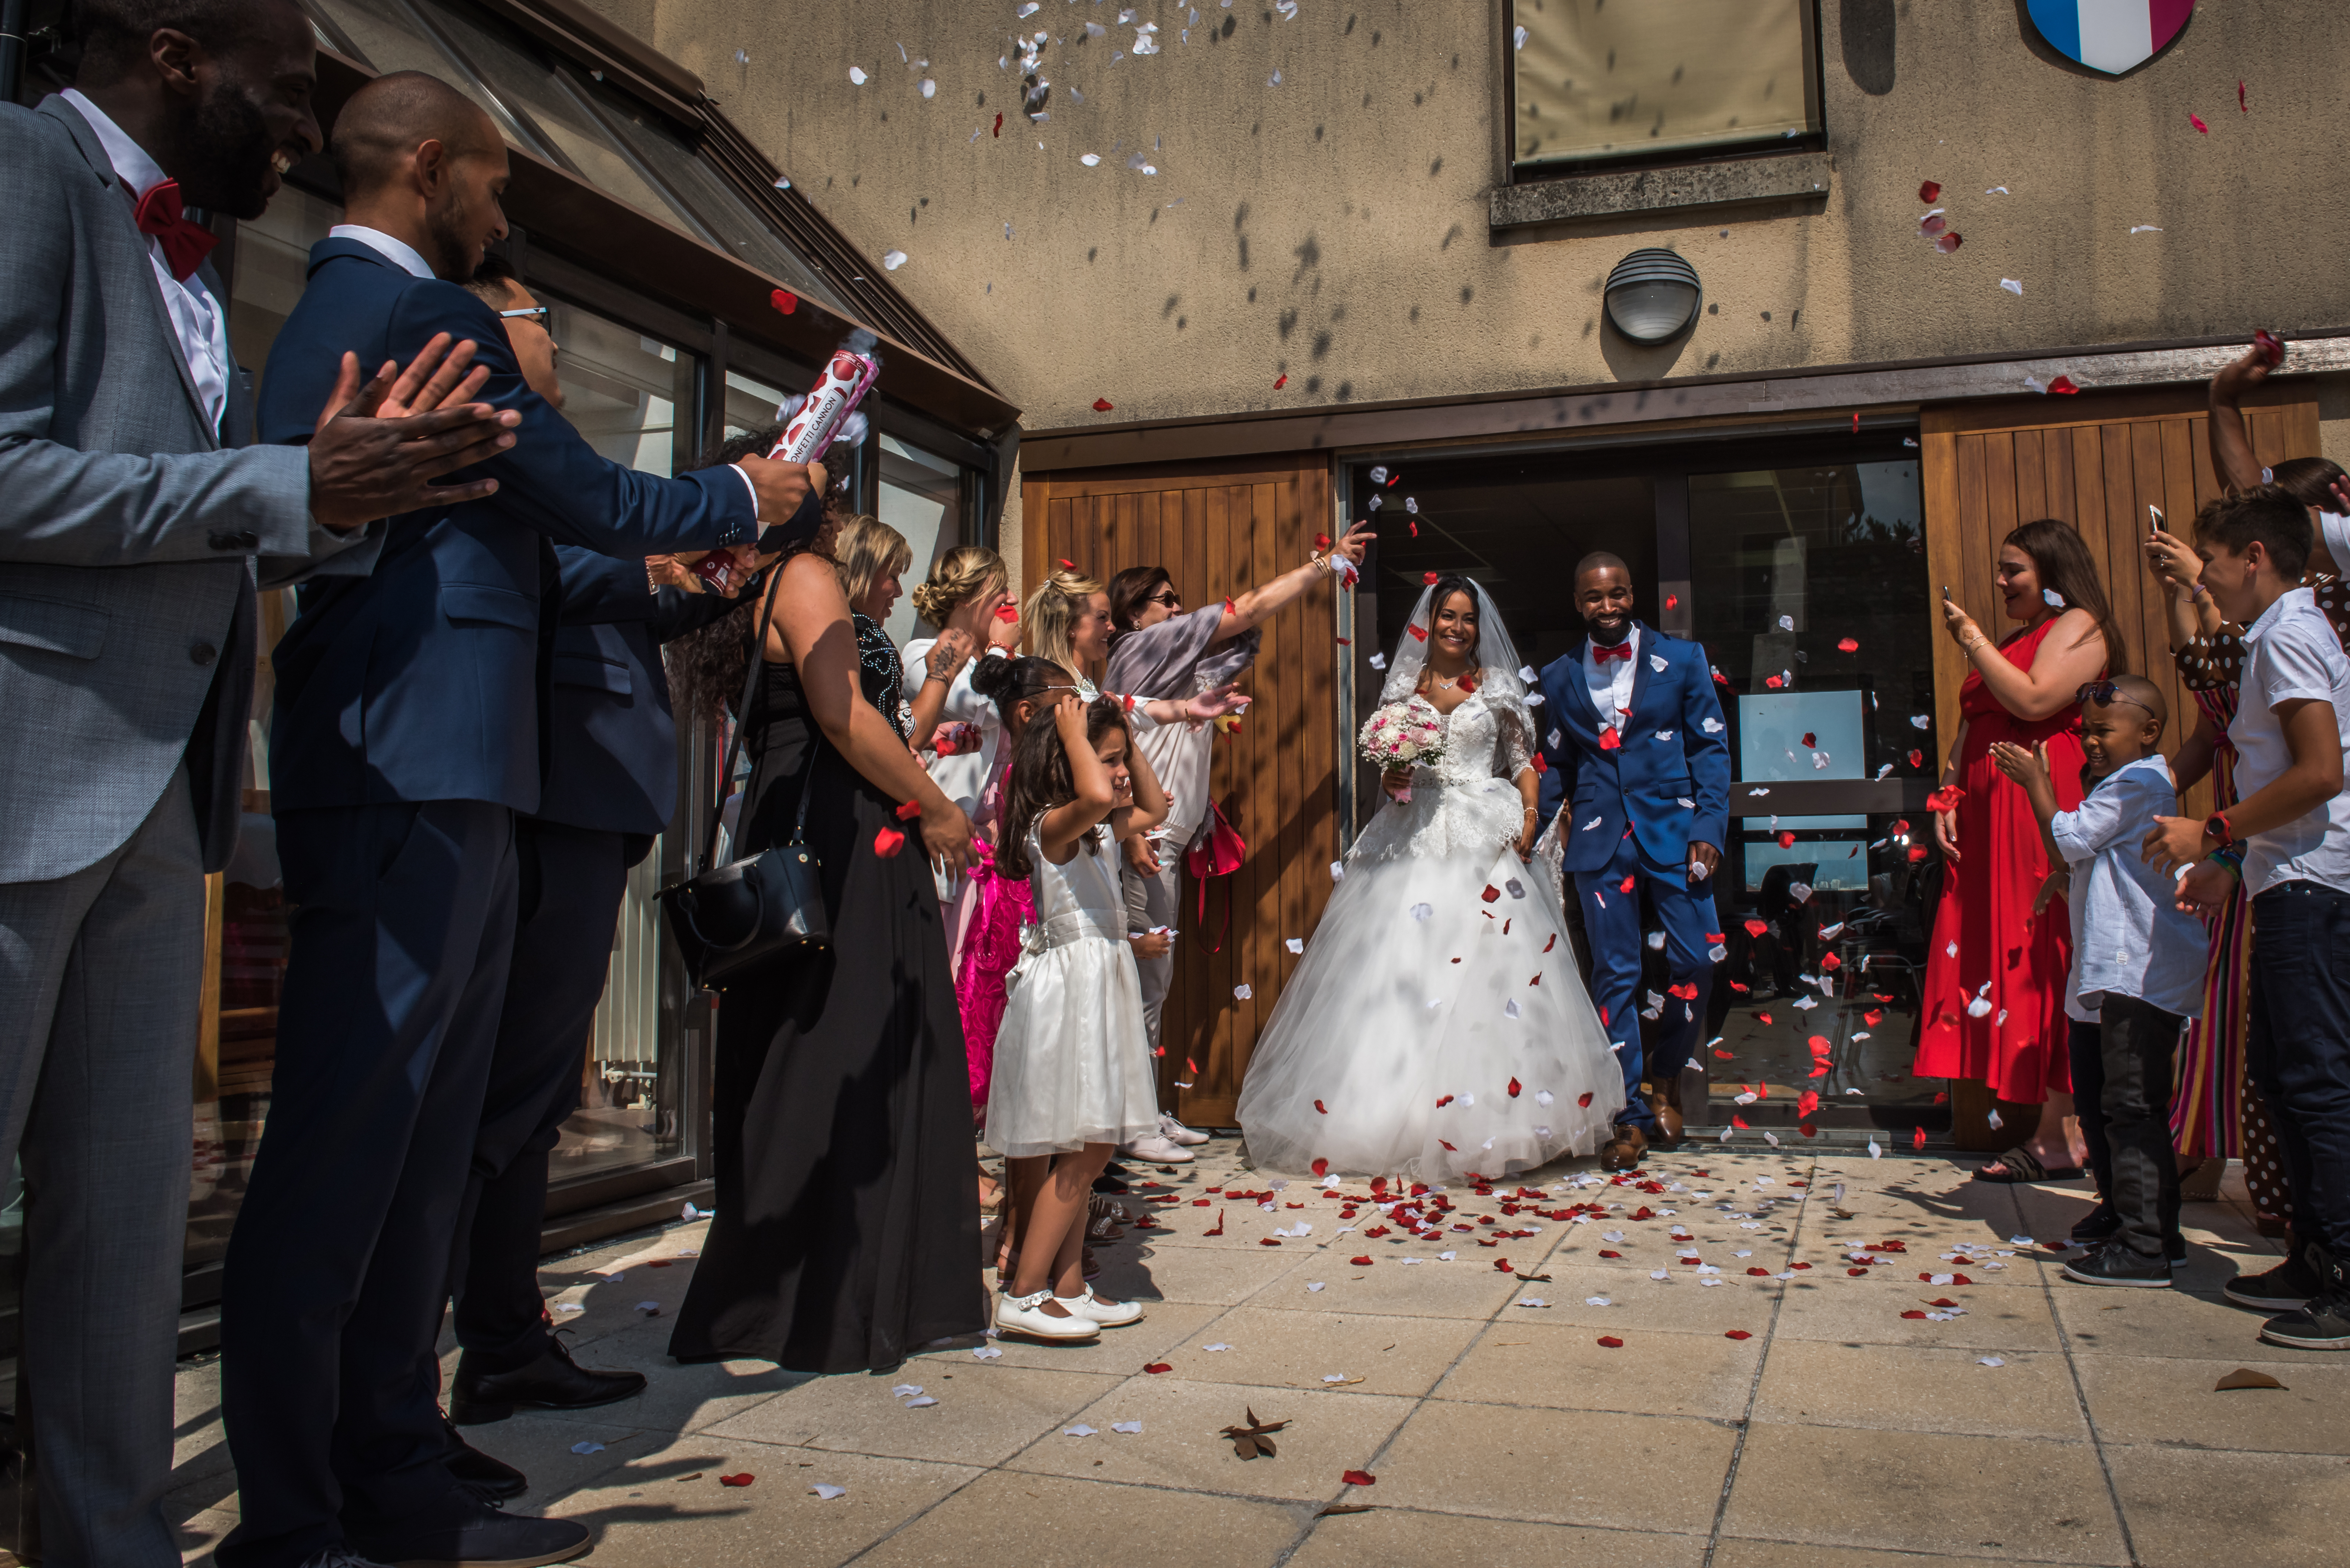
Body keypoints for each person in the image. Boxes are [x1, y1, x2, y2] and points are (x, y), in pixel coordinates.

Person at [222, 72, 825, 1568]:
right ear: (432, 166)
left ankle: (395, 1469)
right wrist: (751, 489)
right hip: (403, 761)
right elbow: (597, 503)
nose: (506, 211)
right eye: (493, 180)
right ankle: (299, 1515)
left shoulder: (368, 311)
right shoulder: (411, 311)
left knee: (419, 1150)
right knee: (348, 1151)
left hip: (458, 762)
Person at [0, 5, 519, 1561]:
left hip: (166, 794)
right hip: (31, 772)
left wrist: (341, 499)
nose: (301, 131)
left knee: (122, 1242)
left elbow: (210, 513)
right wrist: (287, 479)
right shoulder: (27, 168)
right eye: (286, 93)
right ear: (175, 52)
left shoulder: (198, 255)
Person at [439, 258, 753, 1442]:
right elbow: (572, 571)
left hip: (586, 798)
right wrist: (704, 525)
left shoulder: (546, 448)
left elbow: (620, 592)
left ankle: (506, 1336)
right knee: (508, 1092)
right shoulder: (504, 446)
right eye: (541, 326)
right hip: (553, 797)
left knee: (530, 1095)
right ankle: (479, 1341)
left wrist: (715, 579)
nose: (558, 350)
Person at [665, 471, 985, 1374]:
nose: (832, 499)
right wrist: (935, 805)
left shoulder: (742, 580)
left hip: (793, 825)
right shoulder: (801, 575)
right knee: (851, 1054)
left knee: (800, 1055)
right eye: (818, 485)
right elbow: (844, 715)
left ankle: (777, 1292)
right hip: (844, 838)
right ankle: (839, 1299)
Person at [1238, 579, 1619, 1180]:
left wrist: (1527, 815)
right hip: (1411, 834)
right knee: (1400, 971)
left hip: (1483, 832)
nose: (1458, 628)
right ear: (1431, 621)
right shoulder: (1404, 687)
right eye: (1448, 616)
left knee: (1493, 976)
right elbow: (1394, 773)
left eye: (1468, 619)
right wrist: (1394, 776)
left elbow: (1523, 763)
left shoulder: (1497, 686)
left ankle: (1498, 1121)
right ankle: (1388, 1119)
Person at [2149, 486, 2350, 1349]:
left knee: (2318, 1083)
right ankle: (2310, 1253)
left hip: (2315, 884)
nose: (2211, 581)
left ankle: (2344, 1274)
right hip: (2281, 879)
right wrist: (2233, 863)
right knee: (2276, 1073)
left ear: (2255, 556)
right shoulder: (2276, 636)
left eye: (2216, 563)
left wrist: (2217, 829)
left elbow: (2320, 773)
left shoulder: (2294, 636)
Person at [1103, 525, 1375, 1064]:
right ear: (1134, 614)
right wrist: (1325, 565)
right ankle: (1134, 1122)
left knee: (1154, 979)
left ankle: (1141, 1114)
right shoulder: (1140, 647)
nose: (1180, 608)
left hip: (1166, 840)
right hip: (1146, 841)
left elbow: (1236, 640)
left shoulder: (1165, 663)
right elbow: (1246, 611)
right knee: (1145, 982)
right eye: (1167, 600)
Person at [1920, 519, 2123, 1184]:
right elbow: (1970, 722)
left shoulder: (2082, 627)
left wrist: (1973, 639)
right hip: (1988, 812)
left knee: (2044, 947)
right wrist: (1950, 795)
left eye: (2016, 571)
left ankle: (2062, 1131)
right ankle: (2045, 1122)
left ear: (2054, 573)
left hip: (2037, 804)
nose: (2002, 582)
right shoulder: (2014, 639)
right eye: (2002, 570)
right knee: (2000, 947)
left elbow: (2035, 699)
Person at [1990, 677, 2207, 1286]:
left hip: (2139, 971)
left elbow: (2071, 837)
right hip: (2105, 971)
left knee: (2131, 1106)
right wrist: (2065, 880)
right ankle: (2126, 1216)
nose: (2089, 740)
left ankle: (2147, 1247)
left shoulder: (2141, 781)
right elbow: (2094, 857)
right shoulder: (2119, 783)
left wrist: (2036, 783)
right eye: (2085, 729)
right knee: (2097, 1099)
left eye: (2102, 730)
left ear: (2148, 732)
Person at [1531, 553, 1733, 1170]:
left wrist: (1709, 828)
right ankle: (1629, 1115)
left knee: (1695, 960)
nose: (1608, 607)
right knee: (1614, 976)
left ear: (1632, 594)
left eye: (1617, 594)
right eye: (1595, 598)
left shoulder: (1685, 661)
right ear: (1578, 603)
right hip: (1598, 840)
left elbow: (1710, 746)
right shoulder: (1560, 676)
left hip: (1676, 837)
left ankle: (1667, 1073)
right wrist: (1530, 830)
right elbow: (1558, 766)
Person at [984, 693, 1168, 1339]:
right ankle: (1026, 1292)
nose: (1119, 774)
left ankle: (1069, 1286)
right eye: (1108, 761)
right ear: (1068, 765)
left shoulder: (1099, 831)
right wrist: (1072, 732)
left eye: (1121, 761)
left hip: (1100, 982)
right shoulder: (1053, 827)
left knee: (1084, 1137)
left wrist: (1128, 740)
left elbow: (1156, 807)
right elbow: (1095, 798)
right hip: (1074, 991)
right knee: (1090, 1144)